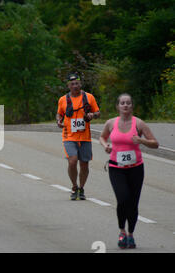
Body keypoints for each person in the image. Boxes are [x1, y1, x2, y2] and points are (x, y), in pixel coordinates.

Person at [99, 93, 158, 249]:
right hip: (116, 168)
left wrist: (141, 140)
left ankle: (131, 234)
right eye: (122, 103)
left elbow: (155, 143)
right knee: (123, 199)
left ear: (132, 106)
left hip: (136, 168)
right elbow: (102, 137)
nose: (125, 105)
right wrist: (106, 146)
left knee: (133, 203)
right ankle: (122, 231)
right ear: (118, 106)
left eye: (128, 103)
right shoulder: (111, 123)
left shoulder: (139, 123)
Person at [56, 73, 100, 200]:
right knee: (72, 161)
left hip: (85, 137)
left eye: (77, 83)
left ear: (80, 84)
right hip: (69, 136)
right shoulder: (63, 100)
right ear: (68, 86)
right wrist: (58, 121)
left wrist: (92, 115)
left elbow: (98, 112)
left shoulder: (89, 97)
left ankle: (81, 188)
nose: (75, 86)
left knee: (84, 164)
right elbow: (59, 114)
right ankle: (74, 186)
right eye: (72, 84)